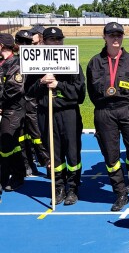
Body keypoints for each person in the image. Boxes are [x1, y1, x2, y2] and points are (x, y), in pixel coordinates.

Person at [86, 22, 129, 212]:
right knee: (111, 156)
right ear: (104, 36)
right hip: (105, 111)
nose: (115, 38)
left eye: (119, 35)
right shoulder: (95, 62)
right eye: (111, 35)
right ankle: (120, 193)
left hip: (128, 109)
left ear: (123, 37)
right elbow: (91, 91)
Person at [24, 27, 86, 205]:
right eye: (52, 39)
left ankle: (73, 188)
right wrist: (41, 82)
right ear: (44, 41)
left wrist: (58, 84)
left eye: (59, 39)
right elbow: (28, 92)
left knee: (72, 155)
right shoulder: (36, 64)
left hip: (68, 113)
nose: (57, 43)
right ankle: (58, 187)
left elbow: (79, 95)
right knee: (54, 154)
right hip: (46, 113)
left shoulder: (72, 63)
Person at [15, 30, 51, 176]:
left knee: (39, 136)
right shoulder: (12, 61)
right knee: (21, 137)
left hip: (34, 103)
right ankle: (27, 165)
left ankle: (48, 164)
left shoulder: (38, 59)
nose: (26, 46)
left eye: (29, 43)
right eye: (22, 43)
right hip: (17, 104)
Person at [0, 33, 26, 196]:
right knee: (12, 145)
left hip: (13, 110)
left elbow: (15, 89)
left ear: (2, 46)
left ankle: (4, 179)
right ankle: (19, 172)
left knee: (5, 145)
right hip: (5, 108)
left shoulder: (15, 64)